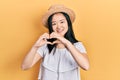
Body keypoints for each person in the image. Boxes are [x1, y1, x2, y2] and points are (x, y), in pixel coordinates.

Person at [21, 4, 90, 80]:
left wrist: (66, 42)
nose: (58, 26)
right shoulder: (45, 46)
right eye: (54, 23)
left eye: (62, 22)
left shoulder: (77, 46)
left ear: (68, 23)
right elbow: (25, 66)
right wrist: (35, 47)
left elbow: (86, 66)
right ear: (51, 27)